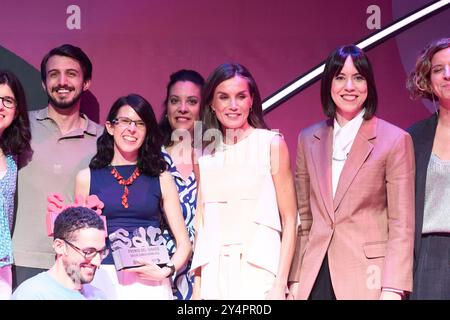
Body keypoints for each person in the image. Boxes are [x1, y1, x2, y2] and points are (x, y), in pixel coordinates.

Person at [288, 45, 415, 300]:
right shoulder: (308, 138)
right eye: (340, 78)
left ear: (369, 85)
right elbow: (305, 219)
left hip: (367, 278)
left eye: (358, 77)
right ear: (328, 85)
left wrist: (393, 287)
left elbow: (401, 224)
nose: (349, 87)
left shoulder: (394, 140)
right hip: (316, 275)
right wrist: (295, 279)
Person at [191, 63, 297, 300]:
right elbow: (202, 226)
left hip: (260, 275)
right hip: (214, 278)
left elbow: (290, 219)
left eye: (241, 96)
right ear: (211, 103)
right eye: (224, 97)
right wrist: (198, 290)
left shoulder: (271, 144)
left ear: (251, 101)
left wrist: (280, 284)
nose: (233, 105)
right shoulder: (203, 154)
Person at [75, 93, 191, 299]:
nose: (132, 129)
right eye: (125, 121)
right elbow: (79, 241)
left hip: (151, 280)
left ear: (147, 132)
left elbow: (184, 243)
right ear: (110, 127)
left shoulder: (162, 178)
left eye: (139, 123)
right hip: (102, 277)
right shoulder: (86, 178)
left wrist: (167, 270)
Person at [12, 44, 103, 287]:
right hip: (23, 258)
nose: (62, 81)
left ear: (86, 82)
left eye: (71, 74)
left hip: (80, 262)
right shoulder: (20, 127)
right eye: (54, 74)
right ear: (44, 83)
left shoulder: (105, 140)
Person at [406, 38, 450, 300]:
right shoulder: (413, 138)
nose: (448, 75)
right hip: (428, 256)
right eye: (438, 69)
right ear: (427, 79)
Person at [158, 69, 204, 300]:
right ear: (167, 108)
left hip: (203, 274)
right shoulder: (151, 158)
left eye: (192, 102)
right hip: (158, 271)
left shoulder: (215, 157)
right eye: (175, 101)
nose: (183, 108)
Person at [12, 206, 107, 300]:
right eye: (88, 252)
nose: (97, 262)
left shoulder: (98, 296)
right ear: (60, 246)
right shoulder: (31, 295)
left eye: (101, 252)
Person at [0, 70, 31, 299]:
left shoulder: (12, 156)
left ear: (17, 109)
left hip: (2, 262)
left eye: (7, 101)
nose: (0, 106)